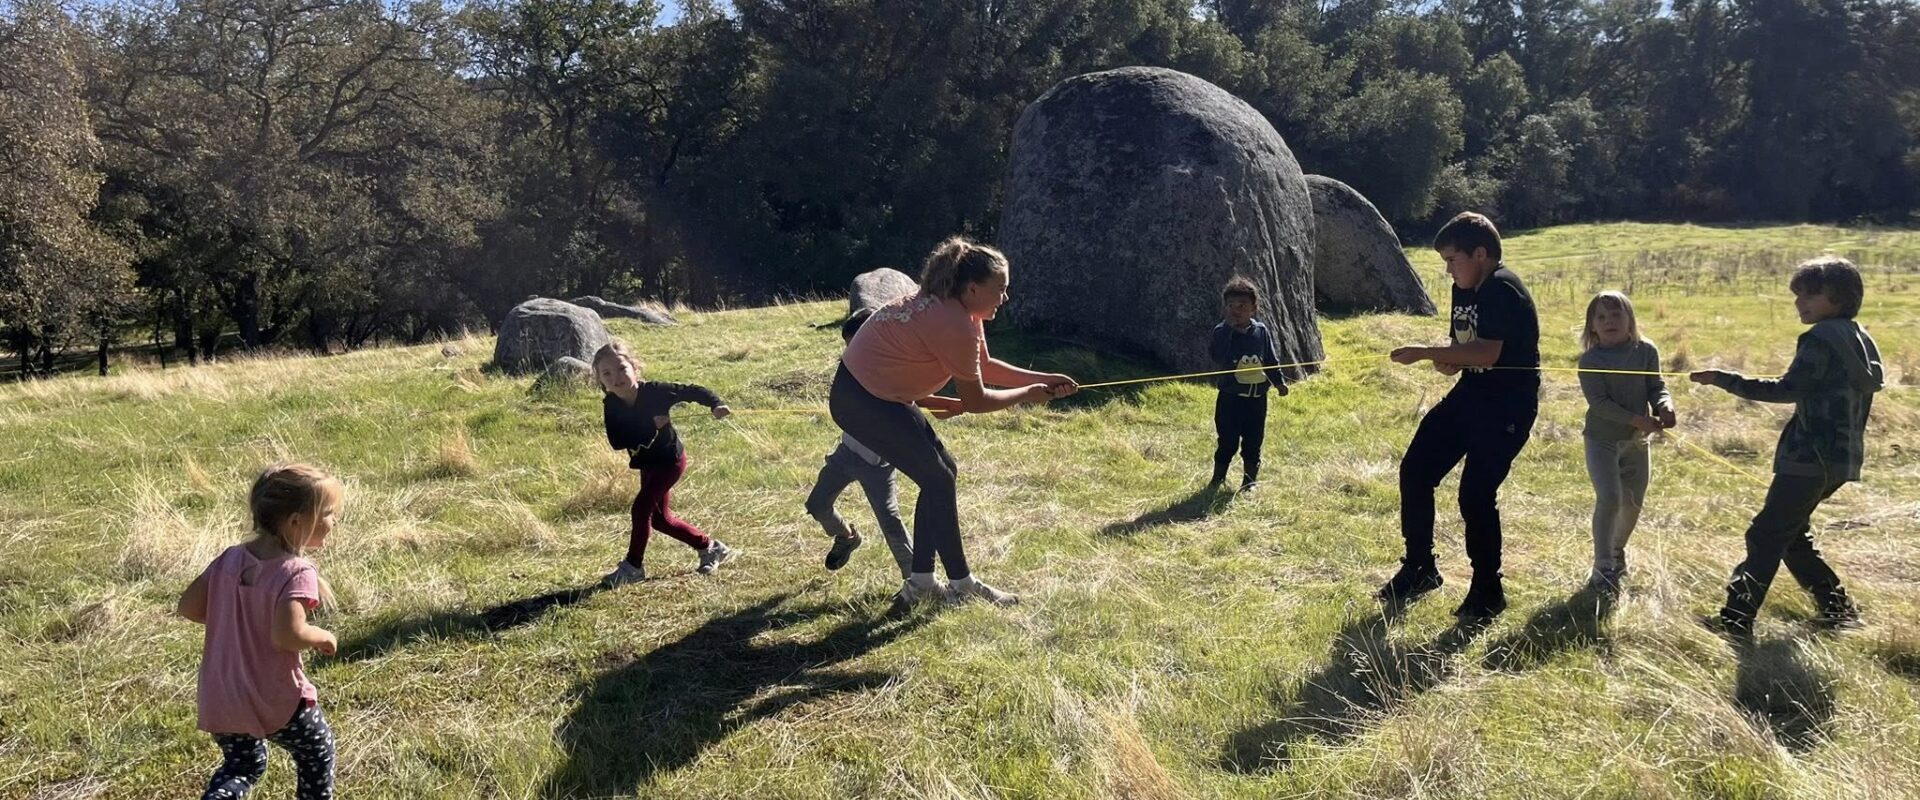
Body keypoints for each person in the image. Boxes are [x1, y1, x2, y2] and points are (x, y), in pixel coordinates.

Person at [833, 236, 1079, 606]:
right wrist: (1029, 396)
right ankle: (959, 586)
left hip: (882, 394)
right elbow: (976, 400)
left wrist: (1043, 379)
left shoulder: (965, 311)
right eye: (1001, 289)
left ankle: (921, 584)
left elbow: (987, 367)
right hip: (860, 399)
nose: (1005, 298)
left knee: (942, 473)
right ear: (973, 287)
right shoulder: (953, 321)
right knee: (937, 478)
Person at [1690, 256, 1884, 634]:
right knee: (1792, 534)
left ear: (1840, 298)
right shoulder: (1859, 336)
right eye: (1798, 296)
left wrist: (1724, 379)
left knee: (1765, 535)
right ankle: (1838, 610)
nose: (1800, 303)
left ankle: (1735, 620)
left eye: (1811, 296)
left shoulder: (1821, 338)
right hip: (1841, 459)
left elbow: (1787, 389)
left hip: (1808, 458)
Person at [1379, 212, 1541, 620]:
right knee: (1416, 470)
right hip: (1470, 395)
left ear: (1480, 254)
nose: (1448, 269)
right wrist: (1446, 361)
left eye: (1453, 259)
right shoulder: (1464, 289)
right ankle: (1420, 567)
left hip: (1507, 406)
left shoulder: (1503, 288)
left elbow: (1488, 352)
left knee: (1475, 494)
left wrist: (1427, 353)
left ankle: (1488, 588)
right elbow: (1462, 347)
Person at [178, 463, 343, 800]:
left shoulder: (230, 559)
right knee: (316, 753)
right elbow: (288, 635)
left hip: (221, 695)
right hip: (274, 697)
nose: (334, 520)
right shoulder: (296, 571)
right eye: (328, 513)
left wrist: (236, 619)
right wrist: (323, 637)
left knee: (242, 767)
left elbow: (189, 607)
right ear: (296, 521)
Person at [593, 340, 735, 586]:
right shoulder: (612, 405)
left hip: (670, 461)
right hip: (648, 464)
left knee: (640, 509)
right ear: (600, 381)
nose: (616, 378)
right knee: (659, 519)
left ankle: (633, 566)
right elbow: (617, 441)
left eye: (622, 369)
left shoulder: (656, 391)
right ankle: (711, 547)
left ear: (635, 369)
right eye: (607, 373)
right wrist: (650, 426)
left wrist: (715, 404)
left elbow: (692, 390)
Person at [1577, 290, 1675, 592]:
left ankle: (1617, 552)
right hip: (1601, 441)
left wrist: (1664, 405)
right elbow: (1600, 404)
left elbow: (1656, 385)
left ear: (1629, 318)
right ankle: (1602, 565)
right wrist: (1637, 420)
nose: (1609, 321)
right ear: (1592, 326)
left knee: (1632, 503)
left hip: (1636, 443)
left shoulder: (1645, 350)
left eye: (1616, 314)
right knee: (1610, 498)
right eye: (1601, 317)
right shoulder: (1590, 360)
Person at [807, 308, 915, 579]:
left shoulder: (894, 371)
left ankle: (915, 580)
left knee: (890, 522)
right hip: (846, 454)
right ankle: (847, 537)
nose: (852, 352)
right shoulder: (852, 371)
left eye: (856, 344)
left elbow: (908, 407)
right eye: (848, 346)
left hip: (877, 463)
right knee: (818, 504)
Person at [1207, 276, 1290, 493]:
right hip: (1230, 398)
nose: (1235, 311)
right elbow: (1217, 356)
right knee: (1227, 440)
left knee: (1254, 441)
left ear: (1254, 308)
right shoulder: (1221, 331)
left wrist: (1279, 382)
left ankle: (1249, 482)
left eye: (1242, 306)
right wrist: (1228, 330)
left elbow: (1270, 360)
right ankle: (1218, 478)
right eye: (1230, 306)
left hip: (1256, 399)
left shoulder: (1261, 332)